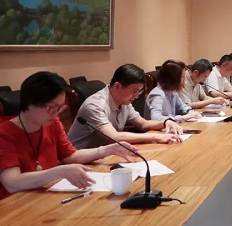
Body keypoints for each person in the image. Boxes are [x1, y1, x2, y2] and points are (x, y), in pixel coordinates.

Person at [0, 72, 137, 200]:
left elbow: (70, 156)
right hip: (15, 203)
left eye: (59, 107)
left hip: (45, 194)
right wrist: (59, 172)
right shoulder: (5, 133)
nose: (56, 113)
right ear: (29, 102)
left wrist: (106, 150)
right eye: (50, 107)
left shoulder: (52, 123)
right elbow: (12, 183)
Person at [68, 64, 183, 149]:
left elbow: (143, 124)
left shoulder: (123, 102)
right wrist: (155, 137)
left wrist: (166, 122)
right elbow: (114, 138)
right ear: (118, 86)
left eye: (139, 92)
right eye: (135, 91)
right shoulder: (95, 105)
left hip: (108, 154)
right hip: (82, 161)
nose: (137, 96)